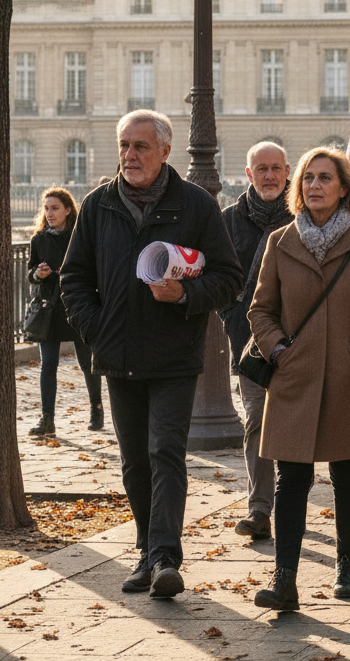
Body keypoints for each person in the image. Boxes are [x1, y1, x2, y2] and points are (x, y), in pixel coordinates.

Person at [61, 110, 243, 599]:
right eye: (124, 145)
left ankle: (164, 557)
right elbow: (72, 278)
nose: (129, 155)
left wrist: (185, 296)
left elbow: (229, 277)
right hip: (116, 356)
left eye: (140, 146)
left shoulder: (196, 206)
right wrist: (97, 329)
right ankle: (146, 550)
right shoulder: (97, 205)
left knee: (165, 452)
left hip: (173, 357)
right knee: (133, 462)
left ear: (165, 151)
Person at [249, 146, 350, 611]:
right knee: (290, 480)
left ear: (343, 189)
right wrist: (277, 349)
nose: (314, 185)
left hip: (346, 377)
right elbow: (260, 309)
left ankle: (347, 564)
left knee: (346, 473)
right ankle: (285, 580)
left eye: (325, 178)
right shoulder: (280, 241)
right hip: (294, 380)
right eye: (308, 178)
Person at [219, 141, 293, 541]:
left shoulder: (303, 216)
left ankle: (292, 501)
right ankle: (260, 508)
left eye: (276, 168)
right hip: (250, 344)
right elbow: (216, 278)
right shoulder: (228, 221)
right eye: (261, 168)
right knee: (257, 422)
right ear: (248, 174)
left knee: (298, 425)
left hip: (300, 340)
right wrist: (231, 317)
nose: (269, 176)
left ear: (287, 172)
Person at [26, 187, 104, 436]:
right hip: (49, 311)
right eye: (47, 208)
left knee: (86, 362)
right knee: (48, 365)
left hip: (78, 307)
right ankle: (47, 419)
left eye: (55, 208)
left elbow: (93, 270)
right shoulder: (38, 239)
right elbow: (31, 275)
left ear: (68, 210)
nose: (49, 213)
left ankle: (96, 408)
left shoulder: (80, 237)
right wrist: (38, 274)